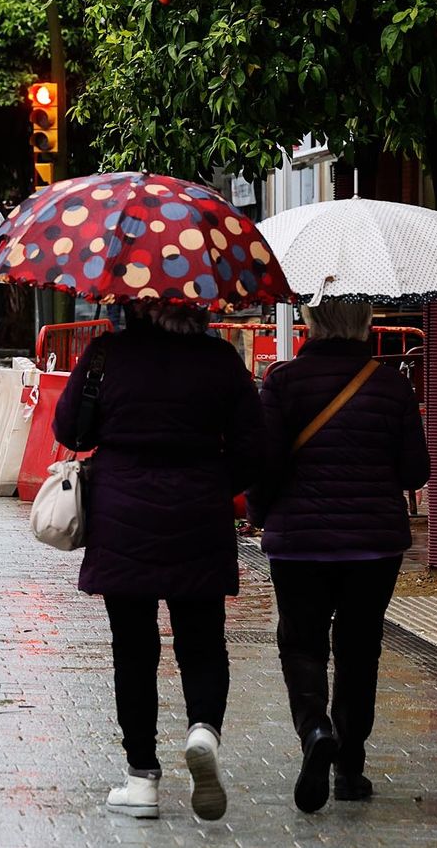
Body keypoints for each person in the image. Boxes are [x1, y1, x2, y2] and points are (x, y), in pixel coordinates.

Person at [51, 298, 263, 823]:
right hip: (199, 510)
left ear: (132, 306)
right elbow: (253, 447)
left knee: (133, 647)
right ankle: (203, 730)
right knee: (203, 637)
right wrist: (215, 486)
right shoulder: (219, 359)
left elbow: (68, 430)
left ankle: (141, 778)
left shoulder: (106, 355)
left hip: (123, 511)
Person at [248, 298, 430, 813]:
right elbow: (415, 472)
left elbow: (266, 466)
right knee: (359, 649)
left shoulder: (282, 383)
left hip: (300, 542)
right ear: (367, 325)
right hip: (374, 544)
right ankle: (350, 767)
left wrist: (263, 514)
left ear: (310, 323)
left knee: (301, 643)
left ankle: (314, 730)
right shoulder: (391, 384)